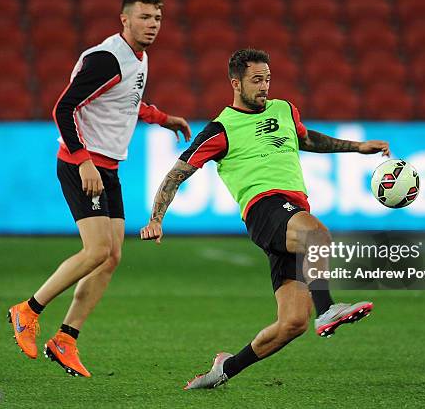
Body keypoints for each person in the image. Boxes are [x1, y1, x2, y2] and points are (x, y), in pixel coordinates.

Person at [140, 49, 390, 389]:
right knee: (318, 235)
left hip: (291, 215)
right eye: (256, 80)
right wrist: (156, 218)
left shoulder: (284, 109)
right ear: (236, 83)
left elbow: (307, 139)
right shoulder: (221, 129)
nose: (264, 87)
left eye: (268, 79)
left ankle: (223, 370)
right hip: (264, 210)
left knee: (292, 324)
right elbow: (175, 174)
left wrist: (357, 147)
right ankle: (328, 309)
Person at [7, 0, 191, 377]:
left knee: (111, 257)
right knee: (95, 251)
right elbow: (63, 107)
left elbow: (126, 100)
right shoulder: (107, 58)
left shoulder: (138, 58)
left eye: (157, 18)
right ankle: (27, 310)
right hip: (82, 165)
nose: (152, 25)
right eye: (144, 17)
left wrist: (162, 118)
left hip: (108, 168)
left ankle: (66, 339)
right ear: (124, 19)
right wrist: (83, 161)